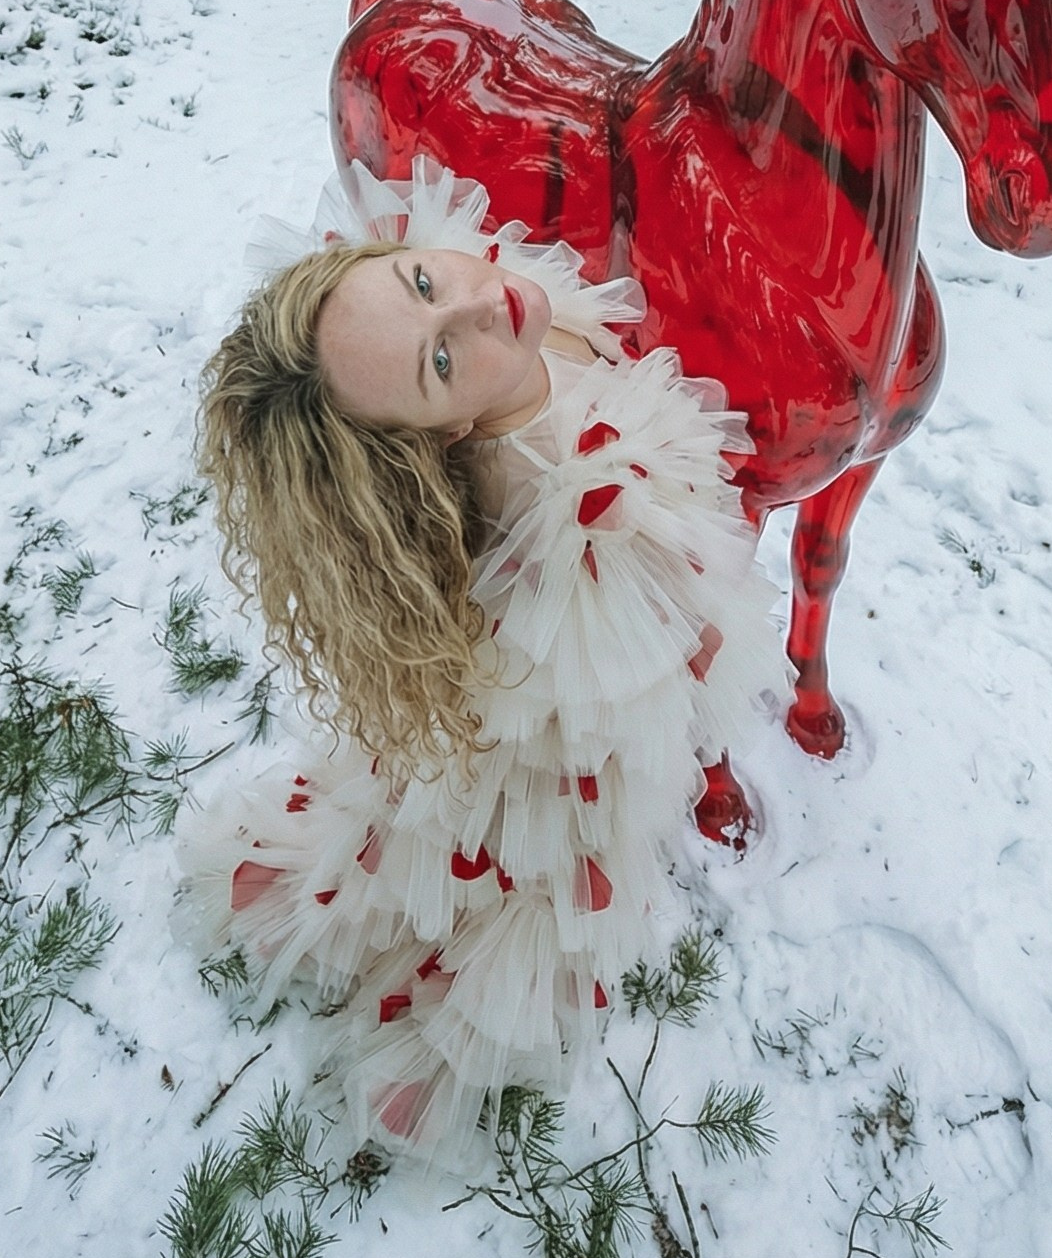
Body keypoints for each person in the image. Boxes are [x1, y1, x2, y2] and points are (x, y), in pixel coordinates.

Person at [180, 158, 787, 1169]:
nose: (475, 301)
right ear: (452, 430)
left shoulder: (487, 294)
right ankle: (480, 1003)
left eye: (422, 280)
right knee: (540, 873)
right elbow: (662, 646)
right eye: (441, 363)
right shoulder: (582, 502)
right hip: (558, 724)